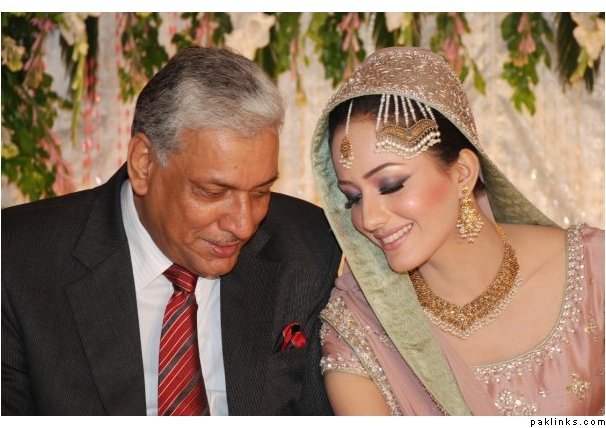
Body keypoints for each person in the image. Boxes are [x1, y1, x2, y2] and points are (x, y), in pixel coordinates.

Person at [2, 46, 341, 416]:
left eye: (260, 192)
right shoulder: (18, 261)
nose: (243, 224)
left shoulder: (309, 247)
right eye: (212, 192)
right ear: (144, 164)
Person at [310, 46, 604, 416]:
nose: (369, 218)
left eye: (390, 185)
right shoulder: (360, 327)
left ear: (463, 173)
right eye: (353, 197)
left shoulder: (592, 272)